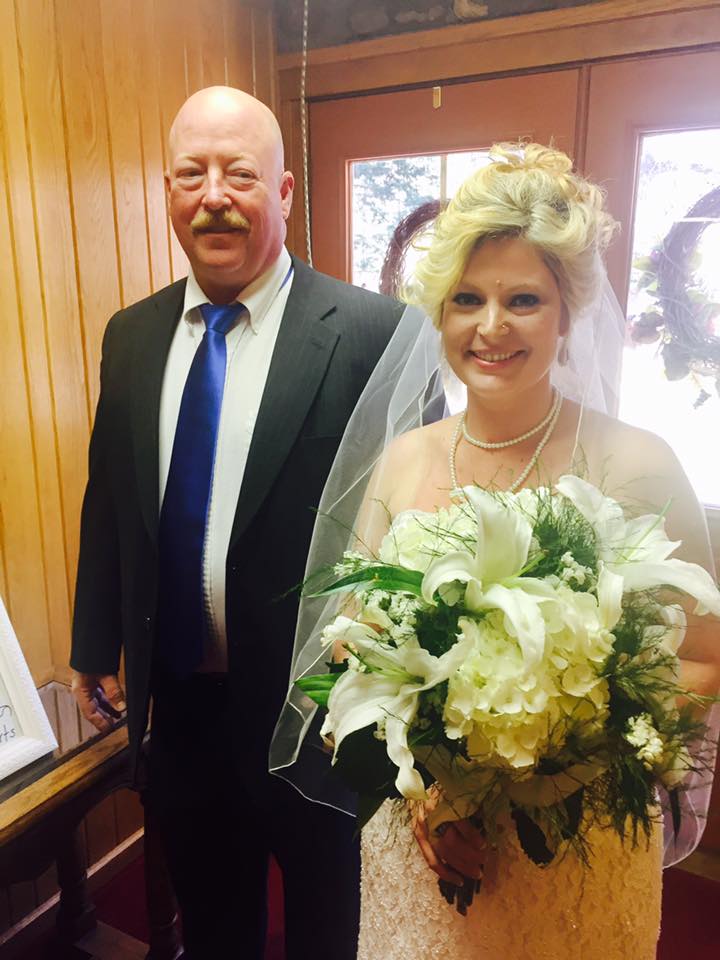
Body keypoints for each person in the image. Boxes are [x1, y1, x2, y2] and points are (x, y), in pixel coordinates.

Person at [273, 144, 720, 959]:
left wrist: (569, 758)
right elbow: (350, 650)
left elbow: (701, 657)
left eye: (523, 300)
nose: (491, 327)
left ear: (567, 312)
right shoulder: (404, 459)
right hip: (424, 843)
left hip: (581, 844)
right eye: (467, 300)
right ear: (439, 313)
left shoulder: (639, 462)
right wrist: (421, 790)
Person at [69, 85, 401, 960]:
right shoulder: (130, 336)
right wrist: (93, 642)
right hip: (182, 713)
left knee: (333, 935)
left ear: (283, 191)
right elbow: (110, 499)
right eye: (192, 173)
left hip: (320, 717)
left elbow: (413, 527)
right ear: (168, 191)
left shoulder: (374, 333)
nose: (214, 195)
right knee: (216, 934)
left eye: (240, 174)